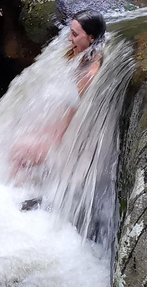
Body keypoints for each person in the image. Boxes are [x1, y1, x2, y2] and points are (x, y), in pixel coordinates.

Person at [9, 9, 106, 176]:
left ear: (91, 39)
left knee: (16, 155)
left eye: (75, 35)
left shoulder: (89, 75)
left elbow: (86, 119)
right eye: (70, 33)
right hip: (56, 127)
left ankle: (18, 197)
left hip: (67, 141)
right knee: (11, 140)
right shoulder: (82, 57)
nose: (69, 39)